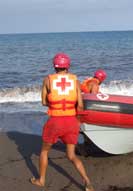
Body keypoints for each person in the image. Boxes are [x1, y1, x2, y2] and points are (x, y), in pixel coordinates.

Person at [30, 53, 95, 191]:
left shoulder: (48, 80)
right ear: (68, 66)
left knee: (44, 151)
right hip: (71, 121)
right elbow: (81, 105)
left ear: (54, 66)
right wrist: (77, 121)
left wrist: (54, 104)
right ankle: (87, 182)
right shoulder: (75, 80)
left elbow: (43, 101)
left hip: (55, 121)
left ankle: (41, 180)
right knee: (71, 155)